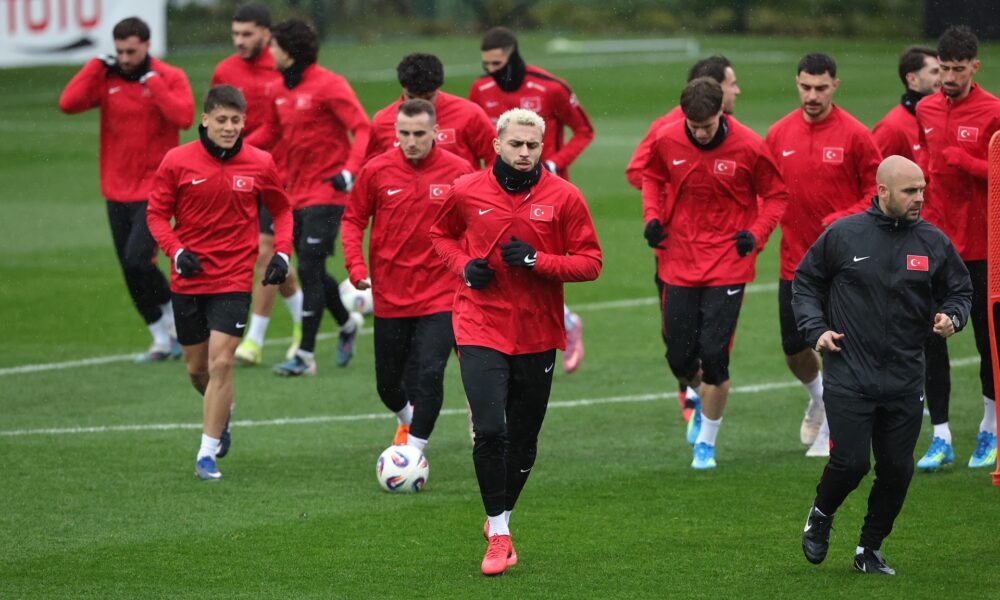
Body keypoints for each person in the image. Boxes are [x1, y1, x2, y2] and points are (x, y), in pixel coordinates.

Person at [430, 108, 602, 576]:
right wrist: (464, 267)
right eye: (516, 144)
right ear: (497, 145)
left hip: (537, 333)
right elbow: (440, 235)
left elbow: (591, 262)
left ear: (542, 147)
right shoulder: (465, 190)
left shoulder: (565, 197)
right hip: (479, 325)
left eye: (532, 145)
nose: (524, 152)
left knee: (523, 441)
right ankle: (499, 531)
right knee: (490, 430)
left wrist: (537, 261)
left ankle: (500, 517)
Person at [795, 155, 972, 575]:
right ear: (882, 191)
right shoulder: (844, 235)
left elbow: (960, 290)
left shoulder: (933, 242)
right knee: (851, 463)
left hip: (905, 378)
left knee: (897, 469)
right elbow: (806, 283)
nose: (919, 198)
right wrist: (816, 329)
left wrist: (953, 316)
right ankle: (821, 514)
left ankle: (869, 549)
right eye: (910, 191)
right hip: (849, 373)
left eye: (922, 189)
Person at [147, 85, 293, 480]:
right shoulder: (177, 161)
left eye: (236, 121)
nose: (229, 128)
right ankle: (222, 411)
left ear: (244, 122)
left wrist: (282, 253)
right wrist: (176, 250)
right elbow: (156, 215)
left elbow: (282, 210)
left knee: (222, 362)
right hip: (189, 279)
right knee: (198, 370)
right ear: (205, 119)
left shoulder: (260, 162)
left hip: (233, 278)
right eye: (222, 120)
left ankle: (206, 454)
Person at [641, 77, 788, 469]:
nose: (701, 134)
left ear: (721, 113)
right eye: (694, 127)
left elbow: (776, 195)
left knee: (714, 354)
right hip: (679, 259)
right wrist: (652, 217)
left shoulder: (750, 145)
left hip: (727, 261)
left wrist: (756, 234)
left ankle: (707, 440)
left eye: (707, 126)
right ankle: (700, 394)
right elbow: (652, 177)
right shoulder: (667, 139)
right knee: (678, 357)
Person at [766, 53, 882, 457]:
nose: (812, 95)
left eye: (820, 87)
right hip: (794, 263)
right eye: (805, 87)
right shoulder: (778, 134)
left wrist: (842, 218)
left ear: (835, 85)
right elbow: (764, 189)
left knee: (837, 348)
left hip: (843, 266)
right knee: (793, 348)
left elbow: (876, 192)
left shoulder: (856, 135)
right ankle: (818, 398)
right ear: (797, 84)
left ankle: (831, 428)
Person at [58, 16, 193, 362]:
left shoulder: (169, 76)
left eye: (131, 51)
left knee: (138, 260)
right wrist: (94, 66)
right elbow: (68, 103)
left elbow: (184, 117)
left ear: (147, 45)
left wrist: (154, 84)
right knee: (129, 268)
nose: (125, 59)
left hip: (156, 190)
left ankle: (174, 314)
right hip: (116, 190)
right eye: (119, 52)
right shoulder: (108, 77)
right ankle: (160, 338)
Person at [343, 99, 474, 450]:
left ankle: (414, 451)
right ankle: (407, 419)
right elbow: (353, 219)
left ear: (435, 132)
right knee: (387, 385)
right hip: (390, 294)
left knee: (430, 372)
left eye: (419, 134)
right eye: (404, 133)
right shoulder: (376, 170)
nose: (411, 141)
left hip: (441, 293)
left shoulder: (459, 171)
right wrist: (356, 266)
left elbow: (476, 224)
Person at [247, 18, 370, 376]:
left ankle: (304, 356)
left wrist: (350, 170)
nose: (268, 51)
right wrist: (234, 147)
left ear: (289, 50)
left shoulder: (330, 85)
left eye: (273, 45)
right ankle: (347, 323)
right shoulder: (277, 89)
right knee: (311, 269)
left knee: (309, 268)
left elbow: (361, 127)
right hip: (294, 193)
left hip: (328, 191)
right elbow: (270, 131)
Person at [470, 26, 594, 374]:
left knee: (537, 264)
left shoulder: (551, 87)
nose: (490, 71)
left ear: (512, 57)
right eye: (485, 64)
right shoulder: (480, 90)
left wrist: (556, 162)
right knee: (498, 266)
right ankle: (509, 340)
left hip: (545, 194)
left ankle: (560, 325)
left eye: (496, 64)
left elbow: (584, 130)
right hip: (496, 194)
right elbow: (478, 137)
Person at [627, 55, 741, 426]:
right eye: (731, 84)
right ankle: (691, 389)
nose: (737, 91)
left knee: (715, 337)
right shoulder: (666, 128)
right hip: (674, 249)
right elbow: (639, 172)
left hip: (721, 252)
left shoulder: (738, 135)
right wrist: (672, 204)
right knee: (678, 337)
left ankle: (705, 404)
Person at [913, 25, 1000, 470]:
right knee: (931, 339)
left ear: (975, 67)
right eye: (944, 68)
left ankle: (990, 428)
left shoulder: (993, 111)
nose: (949, 77)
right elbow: (927, 162)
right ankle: (941, 435)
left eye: (958, 69)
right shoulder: (925, 108)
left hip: (983, 247)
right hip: (936, 245)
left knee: (989, 342)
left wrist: (965, 161)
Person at [211, 3, 304, 366]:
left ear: (267, 34)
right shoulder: (225, 70)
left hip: (277, 175)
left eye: (247, 34)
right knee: (273, 261)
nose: (239, 41)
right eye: (235, 34)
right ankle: (305, 322)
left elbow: (281, 124)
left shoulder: (282, 67)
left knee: (267, 253)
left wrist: (243, 148)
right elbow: (216, 118)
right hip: (237, 176)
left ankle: (254, 340)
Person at [366, 53, 494, 170]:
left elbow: (497, 158)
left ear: (437, 89)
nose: (419, 105)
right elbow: (371, 170)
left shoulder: (469, 114)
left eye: (427, 98)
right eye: (411, 97)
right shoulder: (382, 121)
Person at [871, 46, 941, 161]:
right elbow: (874, 170)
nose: (944, 78)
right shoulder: (891, 128)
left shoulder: (947, 118)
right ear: (912, 79)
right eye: (935, 72)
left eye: (943, 70)